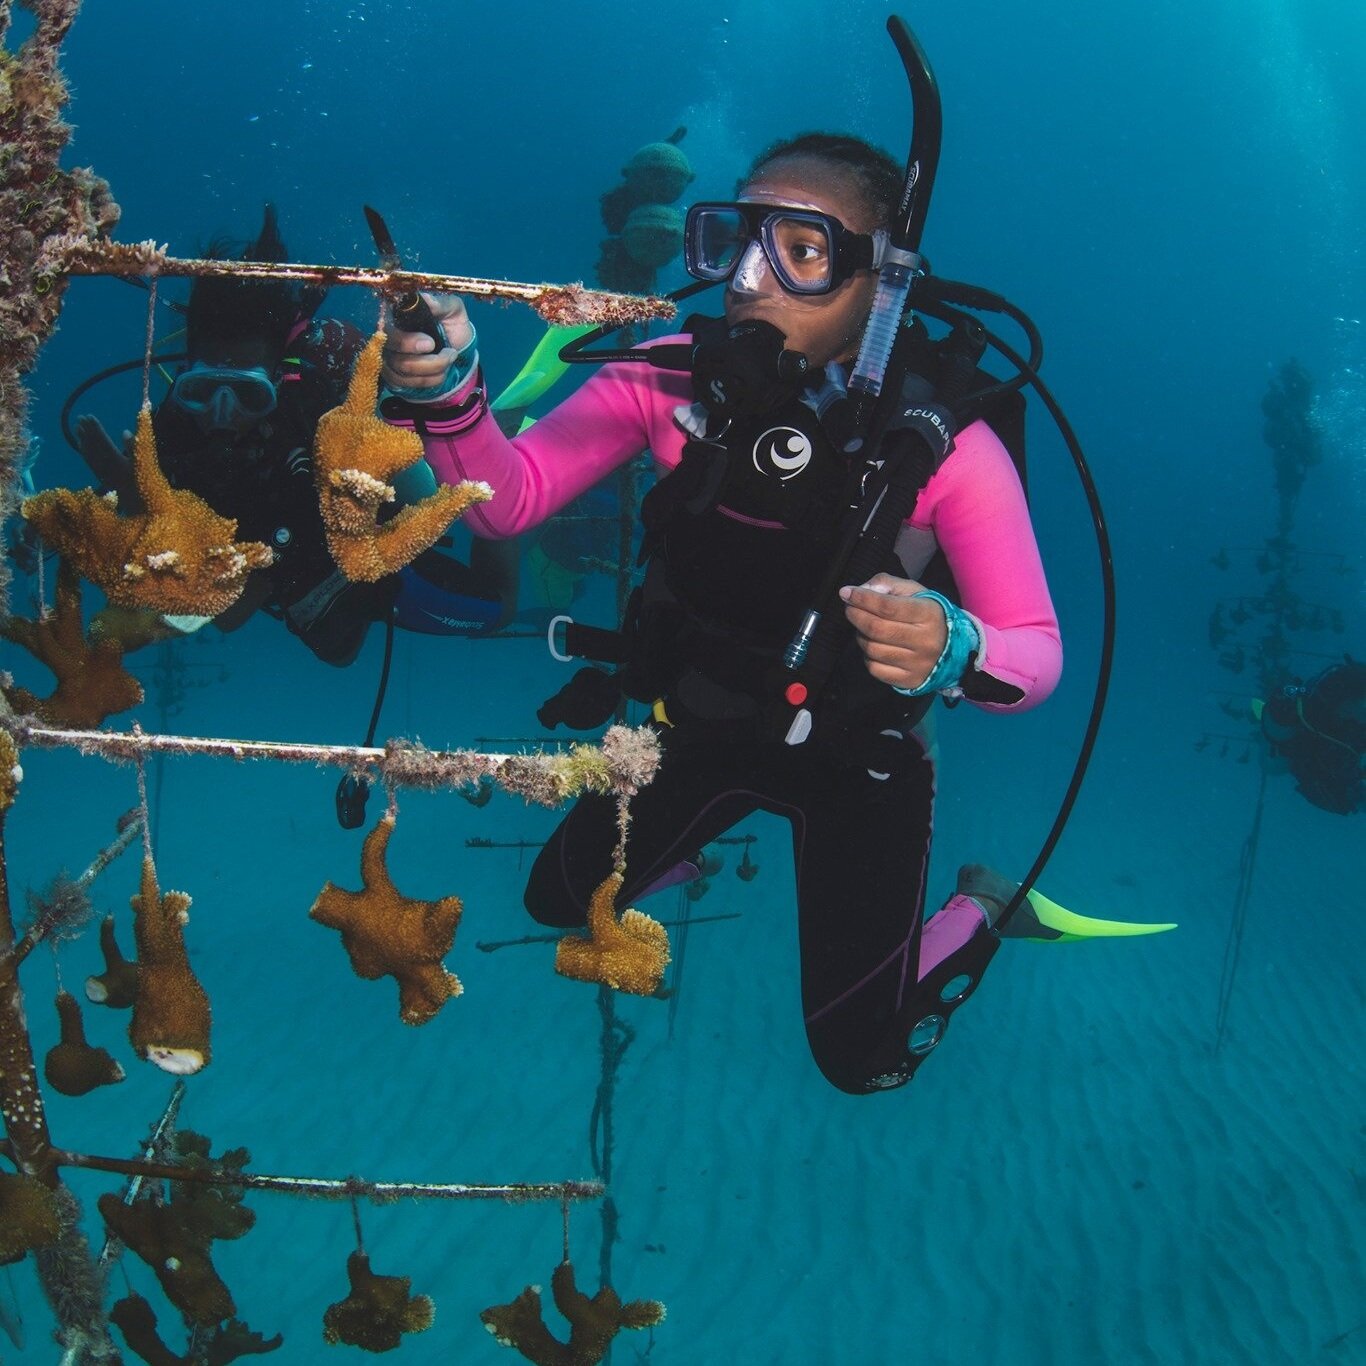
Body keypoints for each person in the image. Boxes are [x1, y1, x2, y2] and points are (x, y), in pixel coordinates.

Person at [378, 131, 1155, 1094]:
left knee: (860, 1060)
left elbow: (1034, 659)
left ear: (884, 281)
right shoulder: (664, 378)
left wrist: (954, 646)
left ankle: (986, 908)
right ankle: (680, 854)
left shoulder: (942, 448)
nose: (749, 278)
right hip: (699, 727)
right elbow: (511, 498)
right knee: (553, 898)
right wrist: (452, 398)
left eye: (803, 248)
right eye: (736, 239)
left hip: (858, 763)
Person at [76, 205, 518, 667]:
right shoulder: (172, 429)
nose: (221, 415)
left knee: (499, 609)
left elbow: (230, 612)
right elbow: (215, 601)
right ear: (186, 374)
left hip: (374, 540)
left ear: (277, 374)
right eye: (203, 391)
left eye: (248, 394)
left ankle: (502, 460)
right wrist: (130, 490)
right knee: (338, 649)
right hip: (299, 579)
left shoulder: (316, 391)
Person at [1257, 659, 1364, 814]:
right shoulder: (1317, 724)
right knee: (1274, 767)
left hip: (1318, 734)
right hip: (1299, 742)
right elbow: (1317, 767)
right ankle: (1265, 740)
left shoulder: (1338, 712)